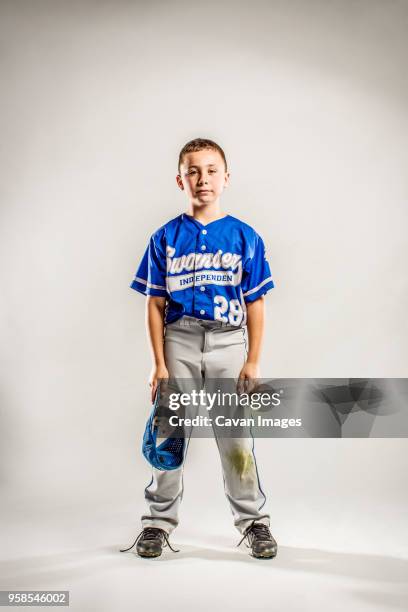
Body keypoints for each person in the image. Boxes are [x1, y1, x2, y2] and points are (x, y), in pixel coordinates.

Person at [122, 138, 278, 559]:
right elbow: (155, 303)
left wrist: (253, 360)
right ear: (180, 179)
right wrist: (158, 363)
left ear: (226, 178)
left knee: (236, 438)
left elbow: (255, 302)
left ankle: (253, 522)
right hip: (180, 340)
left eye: (211, 170)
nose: (202, 178)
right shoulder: (165, 236)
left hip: (229, 340)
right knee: (168, 434)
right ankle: (157, 523)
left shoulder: (246, 236)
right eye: (193, 170)